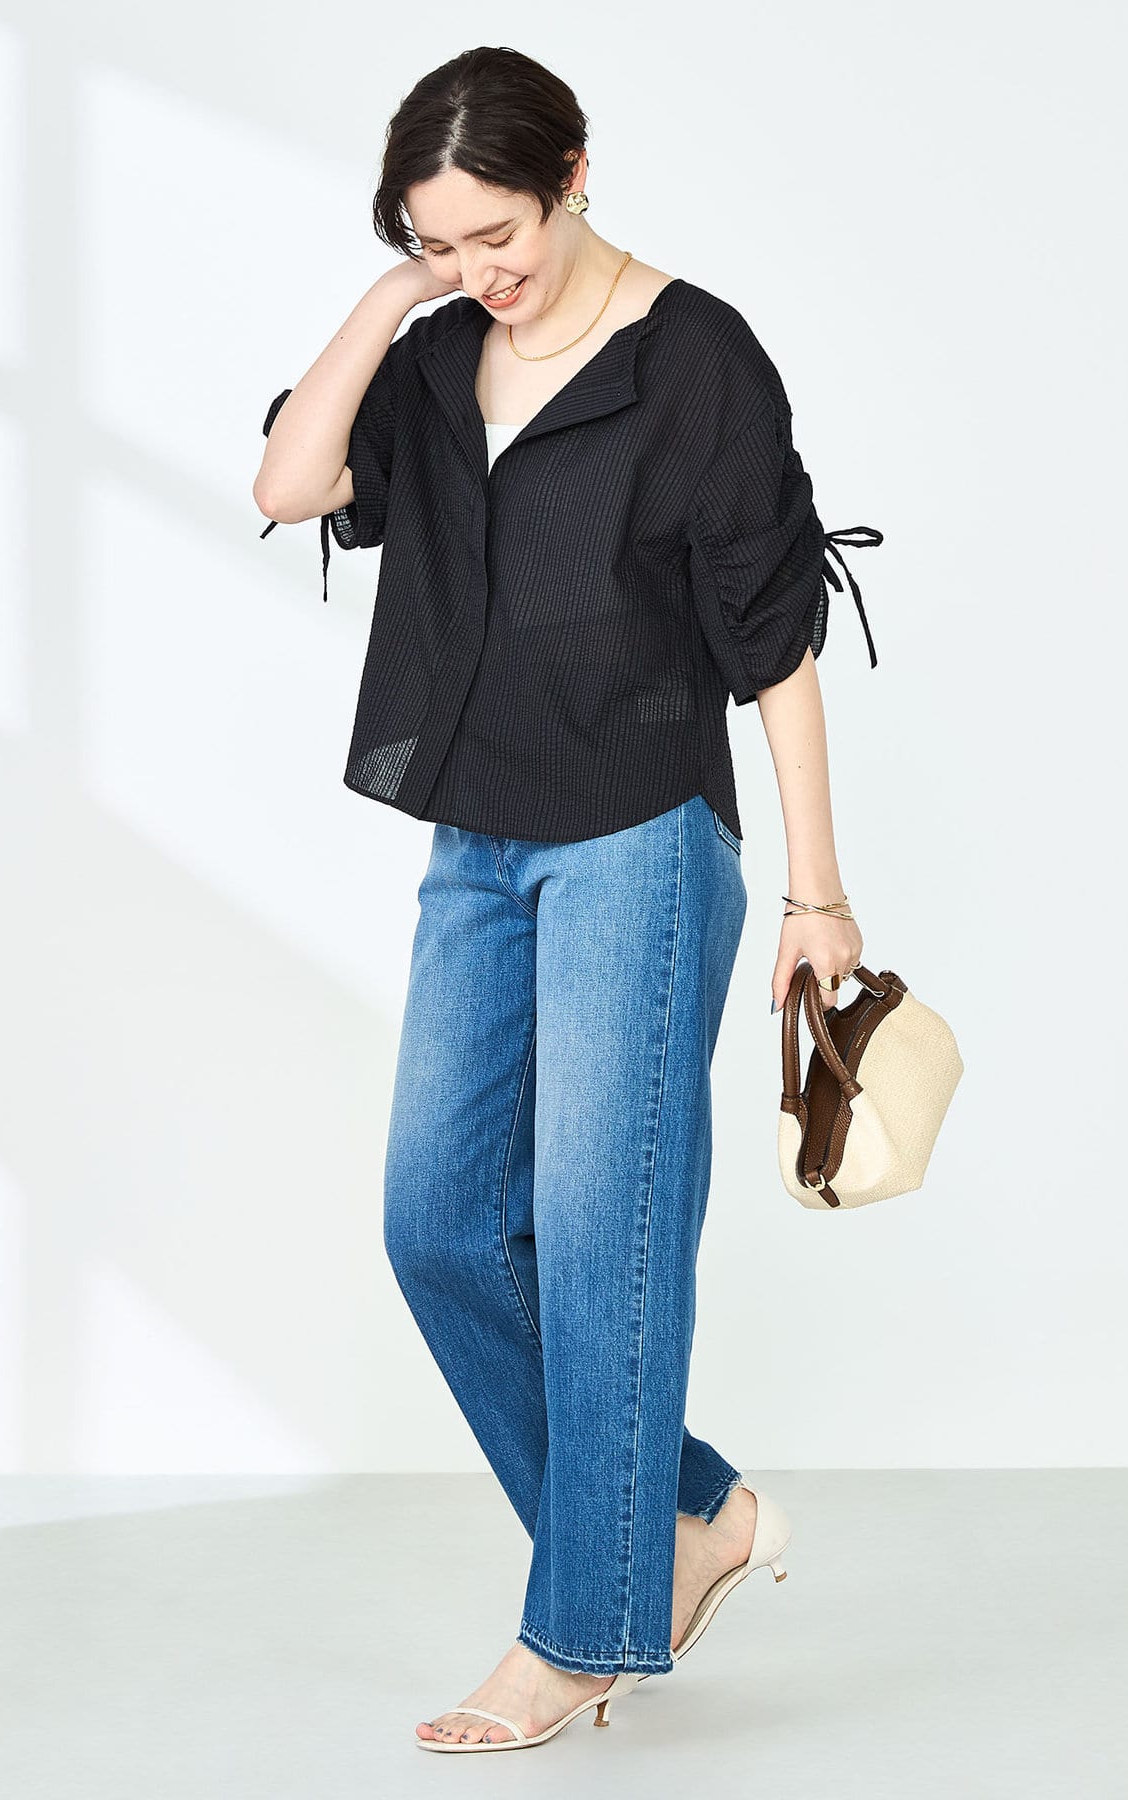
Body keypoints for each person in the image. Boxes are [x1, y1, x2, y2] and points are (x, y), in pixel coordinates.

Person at [254, 45, 879, 1754]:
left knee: (604, 1243)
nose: (480, 271)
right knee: (440, 1227)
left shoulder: (698, 361)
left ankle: (582, 1631)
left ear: (576, 173)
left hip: (638, 839)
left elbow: (779, 644)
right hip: (479, 840)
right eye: (438, 241)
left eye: (498, 234)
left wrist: (819, 897)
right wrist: (395, 297)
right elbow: (292, 486)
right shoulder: (435, 348)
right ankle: (694, 1515)